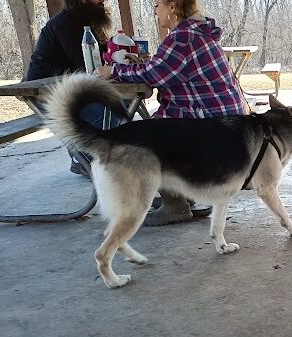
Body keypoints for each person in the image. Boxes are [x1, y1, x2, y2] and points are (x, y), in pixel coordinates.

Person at [96, 0, 248, 226]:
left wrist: (114, 70)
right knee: (161, 122)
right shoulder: (195, 32)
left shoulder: (183, 37)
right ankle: (183, 197)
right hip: (223, 120)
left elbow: (155, 74)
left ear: (173, 6)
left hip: (215, 125)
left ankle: (175, 205)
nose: (155, 11)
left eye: (157, 5)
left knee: (148, 138)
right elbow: (164, 68)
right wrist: (139, 66)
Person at [26, 0, 120, 178]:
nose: (102, 1)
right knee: (105, 110)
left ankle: (94, 157)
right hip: (47, 96)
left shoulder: (88, 23)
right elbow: (86, 66)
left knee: (122, 103)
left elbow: (103, 60)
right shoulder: (64, 25)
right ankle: (85, 159)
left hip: (73, 90)